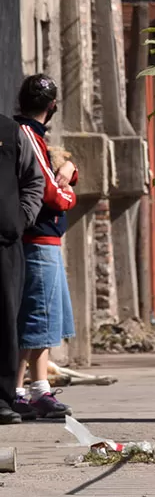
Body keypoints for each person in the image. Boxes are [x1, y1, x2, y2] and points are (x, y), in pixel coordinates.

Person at [14, 75, 78, 419]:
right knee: (37, 316)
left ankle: (34, 388)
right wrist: (69, 191)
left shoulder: (31, 135)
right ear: (52, 106)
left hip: (42, 239)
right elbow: (50, 191)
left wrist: (68, 168)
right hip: (38, 240)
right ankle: (23, 390)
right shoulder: (28, 136)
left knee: (45, 317)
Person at [0, 101, 44, 425]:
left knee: (4, 321)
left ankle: (2, 400)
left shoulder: (9, 131)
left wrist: (21, 218)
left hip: (5, 243)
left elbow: (34, 179)